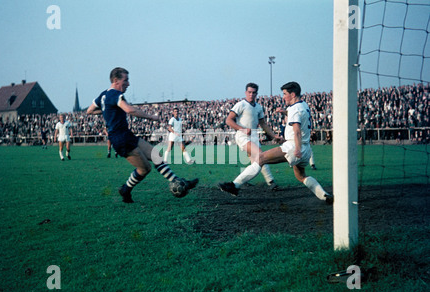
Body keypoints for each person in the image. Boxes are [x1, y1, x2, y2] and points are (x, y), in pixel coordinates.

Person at [87, 67, 198, 203]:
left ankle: (180, 182)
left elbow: (90, 111)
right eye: (125, 80)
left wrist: (106, 110)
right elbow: (129, 110)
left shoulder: (103, 95)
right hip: (120, 138)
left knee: (156, 155)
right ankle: (125, 189)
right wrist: (152, 117)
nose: (128, 84)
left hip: (126, 135)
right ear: (116, 80)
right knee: (145, 168)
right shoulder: (115, 94)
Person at [219, 81, 333, 204]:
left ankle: (234, 186)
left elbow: (297, 131)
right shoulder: (303, 105)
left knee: (260, 158)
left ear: (293, 94)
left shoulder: (293, 109)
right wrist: (283, 115)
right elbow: (297, 115)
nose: (283, 97)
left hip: (294, 147)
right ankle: (325, 195)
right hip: (306, 150)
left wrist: (297, 148)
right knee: (301, 176)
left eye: (285, 94)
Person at [223, 82, 281, 191]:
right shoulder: (241, 104)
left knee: (257, 161)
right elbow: (228, 120)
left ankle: (243, 181)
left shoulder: (258, 107)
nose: (251, 95)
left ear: (256, 94)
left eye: (254, 93)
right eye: (249, 92)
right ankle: (271, 181)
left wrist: (273, 136)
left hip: (253, 137)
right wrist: (242, 129)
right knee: (261, 155)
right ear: (246, 92)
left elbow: (263, 124)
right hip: (242, 136)